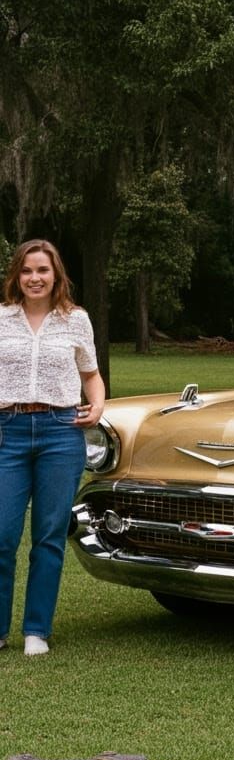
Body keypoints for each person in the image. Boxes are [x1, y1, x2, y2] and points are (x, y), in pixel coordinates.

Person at [0, 239, 105, 655]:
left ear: (56, 274)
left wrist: (97, 405)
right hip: (6, 432)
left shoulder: (76, 320)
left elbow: (91, 375)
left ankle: (36, 631)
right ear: (16, 276)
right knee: (2, 535)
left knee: (48, 535)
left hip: (60, 432)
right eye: (27, 270)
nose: (34, 278)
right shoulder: (2, 318)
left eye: (42, 270)